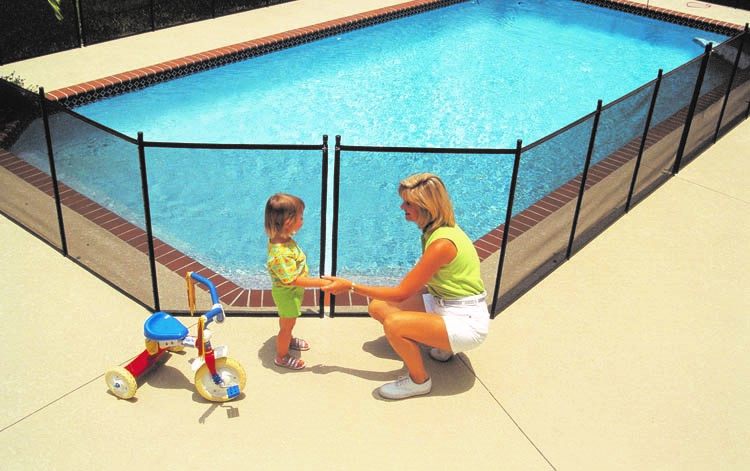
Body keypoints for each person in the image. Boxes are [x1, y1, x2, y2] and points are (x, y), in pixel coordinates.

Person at [323, 173, 489, 399]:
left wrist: (350, 286)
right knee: (378, 307)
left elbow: (401, 294)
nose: (402, 206)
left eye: (408, 203)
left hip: (466, 321)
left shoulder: (442, 243)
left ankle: (419, 381)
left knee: (394, 324)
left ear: (426, 206)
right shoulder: (435, 231)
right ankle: (443, 345)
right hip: (445, 303)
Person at [265, 193, 330, 370]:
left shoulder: (282, 240)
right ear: (288, 222)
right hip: (287, 294)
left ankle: (288, 337)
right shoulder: (282, 253)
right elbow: (292, 280)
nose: (303, 220)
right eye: (300, 217)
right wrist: (320, 283)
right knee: (287, 324)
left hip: (289, 293)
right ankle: (282, 356)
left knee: (287, 321)